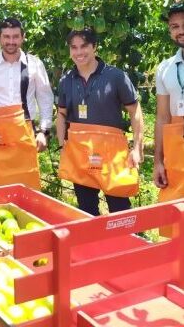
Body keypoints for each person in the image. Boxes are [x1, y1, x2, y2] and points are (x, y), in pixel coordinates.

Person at [56, 28, 143, 216]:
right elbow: (61, 113)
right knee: (86, 209)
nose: (79, 52)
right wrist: (62, 145)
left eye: (84, 46)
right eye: (74, 47)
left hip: (112, 155)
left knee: (119, 208)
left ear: (95, 47)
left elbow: (135, 111)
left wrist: (137, 148)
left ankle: (124, 243)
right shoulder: (66, 80)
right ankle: (92, 244)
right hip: (80, 154)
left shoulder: (116, 76)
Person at [0, 17, 53, 189]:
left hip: (24, 132)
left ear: (22, 37)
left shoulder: (34, 64)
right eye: (6, 37)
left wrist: (44, 132)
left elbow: (45, 98)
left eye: (15, 37)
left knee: (26, 185)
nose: (11, 41)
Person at [154, 0, 184, 206]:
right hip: (177, 150)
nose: (181, 31)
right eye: (175, 26)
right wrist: (158, 161)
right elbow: (162, 117)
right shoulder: (165, 68)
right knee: (177, 212)